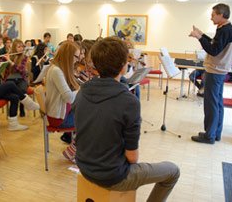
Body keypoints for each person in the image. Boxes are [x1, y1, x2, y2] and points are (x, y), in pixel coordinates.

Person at [74, 37, 180, 201]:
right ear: (124, 66)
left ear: (95, 65)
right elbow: (132, 158)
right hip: (113, 176)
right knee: (173, 171)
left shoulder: (82, 91)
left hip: (84, 165)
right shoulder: (129, 101)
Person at [189, 3, 232, 144]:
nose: (211, 17)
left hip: (215, 71)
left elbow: (213, 50)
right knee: (217, 103)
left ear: (221, 15)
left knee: (211, 104)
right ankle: (215, 133)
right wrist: (202, 34)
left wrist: (199, 37)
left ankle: (209, 136)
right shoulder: (225, 28)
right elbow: (216, 44)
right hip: (219, 71)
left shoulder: (225, 30)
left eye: (213, 14)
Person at [45, 41, 80, 162]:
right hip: (58, 117)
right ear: (68, 55)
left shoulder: (59, 69)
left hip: (63, 111)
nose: (77, 60)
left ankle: (75, 148)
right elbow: (69, 98)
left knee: (91, 112)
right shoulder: (56, 71)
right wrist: (83, 89)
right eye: (76, 57)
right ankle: (76, 150)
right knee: (92, 119)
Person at [2, 39, 29, 117]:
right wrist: (3, 59)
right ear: (14, 48)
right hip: (10, 79)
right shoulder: (8, 56)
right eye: (19, 47)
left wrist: (10, 61)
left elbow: (21, 70)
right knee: (13, 94)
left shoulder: (24, 57)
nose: (21, 49)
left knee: (22, 90)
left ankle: (21, 108)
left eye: (22, 47)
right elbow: (1, 64)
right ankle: (13, 114)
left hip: (21, 78)